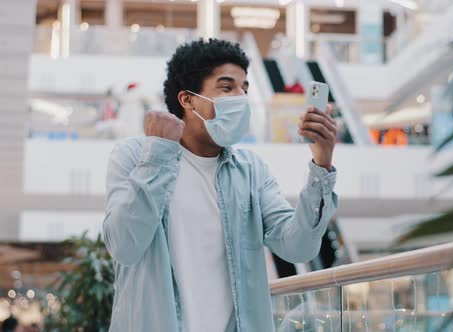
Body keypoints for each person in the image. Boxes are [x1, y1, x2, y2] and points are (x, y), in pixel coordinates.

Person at [103, 39, 338, 332]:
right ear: (187, 100)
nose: (241, 97)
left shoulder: (251, 171)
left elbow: (298, 247)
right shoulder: (135, 156)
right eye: (227, 88)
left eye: (244, 88)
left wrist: (322, 164)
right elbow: (124, 245)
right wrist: (158, 152)